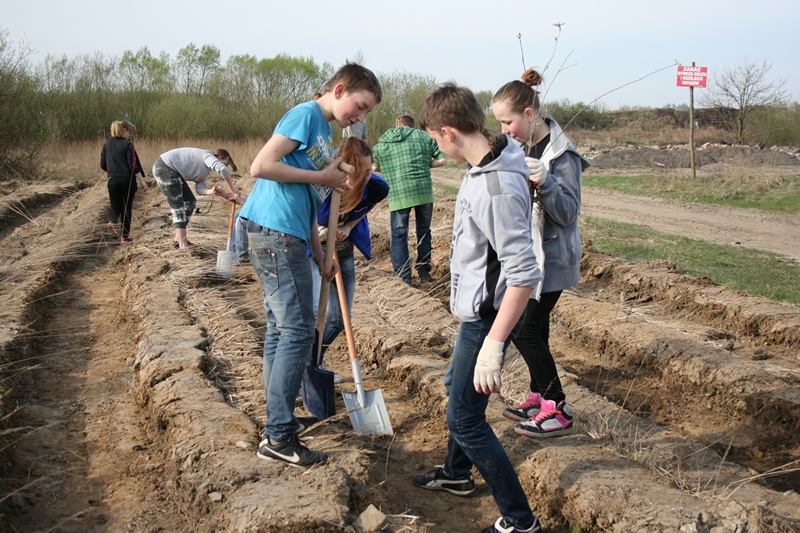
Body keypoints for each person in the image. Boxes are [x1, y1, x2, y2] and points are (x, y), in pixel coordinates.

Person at [411, 83, 543, 533]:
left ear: (448, 132)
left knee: (464, 419)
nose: (437, 148)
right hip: (479, 313)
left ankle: (520, 521)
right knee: (457, 385)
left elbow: (523, 274)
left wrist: (494, 344)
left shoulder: (494, 187)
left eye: (435, 139)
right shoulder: (487, 163)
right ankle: (456, 472)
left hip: (490, 316)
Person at [239, 62, 382, 468]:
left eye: (367, 111)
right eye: (360, 105)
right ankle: (279, 435)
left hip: (289, 234)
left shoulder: (323, 131)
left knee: (280, 330)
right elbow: (260, 166)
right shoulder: (305, 115)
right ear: (339, 90)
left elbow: (304, 197)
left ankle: (278, 420)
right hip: (276, 232)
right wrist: (321, 177)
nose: (360, 116)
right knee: (298, 332)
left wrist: (319, 252)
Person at [492, 68, 589, 439]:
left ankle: (556, 407)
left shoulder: (562, 155)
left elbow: (567, 213)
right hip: (530, 257)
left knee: (523, 329)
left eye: (508, 122)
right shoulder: (520, 147)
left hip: (553, 260)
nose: (504, 129)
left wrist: (545, 181)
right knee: (537, 330)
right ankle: (537, 396)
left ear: (529, 115)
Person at [313, 136, 389, 364]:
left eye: (368, 171)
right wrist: (318, 230)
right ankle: (305, 363)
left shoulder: (376, 187)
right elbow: (302, 216)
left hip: (343, 252)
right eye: (359, 172)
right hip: (314, 255)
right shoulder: (322, 188)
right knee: (317, 315)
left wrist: (348, 226)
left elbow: (368, 205)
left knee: (338, 320)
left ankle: (313, 361)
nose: (364, 178)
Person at [373, 115, 447, 284]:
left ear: (397, 127)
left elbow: (374, 167)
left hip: (398, 194)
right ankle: (424, 273)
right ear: (413, 127)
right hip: (423, 191)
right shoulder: (424, 137)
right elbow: (443, 160)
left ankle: (403, 277)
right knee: (424, 231)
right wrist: (425, 163)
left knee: (399, 235)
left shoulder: (384, 142)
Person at [152, 148, 240, 249]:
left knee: (190, 201)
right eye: (226, 164)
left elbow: (200, 189)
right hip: (165, 167)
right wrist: (233, 188)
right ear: (219, 158)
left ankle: (178, 238)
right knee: (178, 206)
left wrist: (211, 191)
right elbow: (222, 169)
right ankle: (182, 244)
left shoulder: (205, 171)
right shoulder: (207, 156)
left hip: (176, 173)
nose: (225, 167)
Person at [100, 120, 148, 243]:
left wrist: (113, 171)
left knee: (115, 204)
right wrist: (142, 181)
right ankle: (124, 236)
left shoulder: (106, 145)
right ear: (124, 130)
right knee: (127, 207)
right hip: (127, 179)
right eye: (129, 132)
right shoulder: (128, 144)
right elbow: (133, 165)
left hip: (112, 179)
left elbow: (103, 165)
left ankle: (112, 221)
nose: (129, 135)